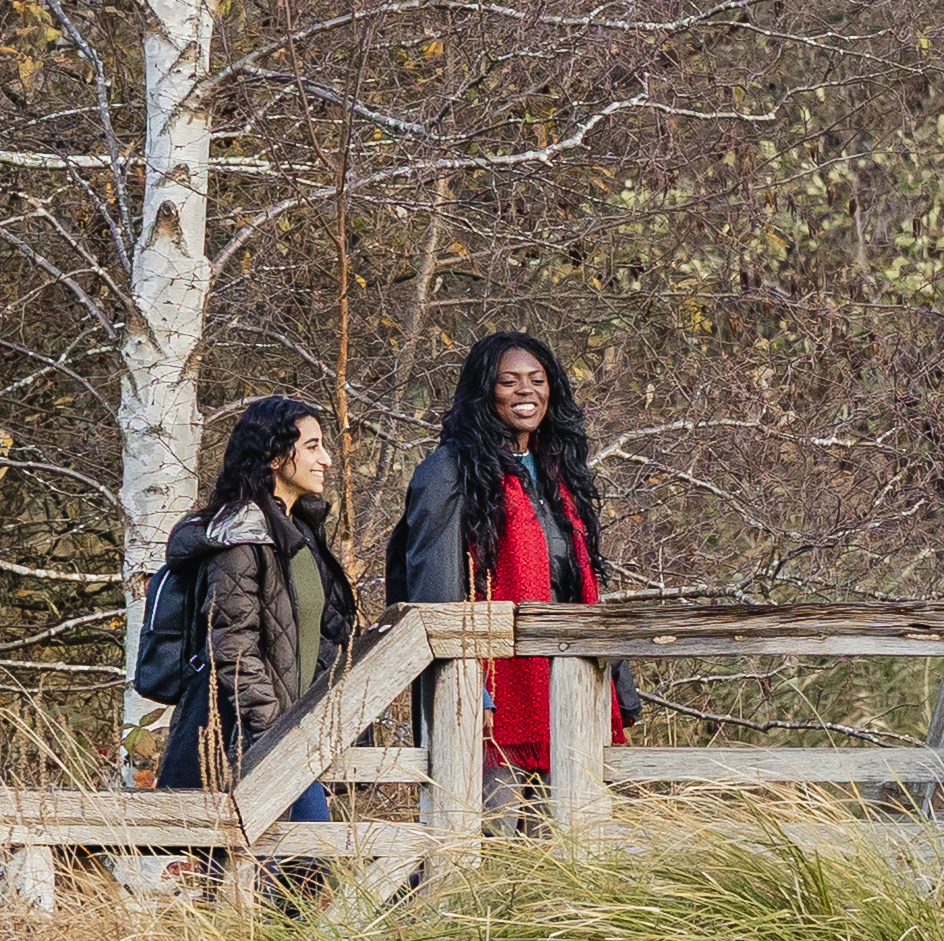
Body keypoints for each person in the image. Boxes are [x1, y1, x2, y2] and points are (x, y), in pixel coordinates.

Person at [385, 332, 621, 792]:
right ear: (483, 391)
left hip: (569, 688)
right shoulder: (450, 471)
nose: (526, 390)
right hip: (494, 699)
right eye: (508, 381)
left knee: (567, 828)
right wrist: (473, 692)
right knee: (492, 826)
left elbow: (578, 585)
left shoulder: (558, 473)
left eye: (537, 379)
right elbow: (436, 593)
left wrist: (617, 683)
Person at [152, 394, 358, 820]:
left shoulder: (301, 532)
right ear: (275, 456)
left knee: (301, 855)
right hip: (250, 741)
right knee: (299, 851)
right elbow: (234, 647)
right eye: (313, 446)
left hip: (299, 741)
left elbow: (323, 637)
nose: (326, 459)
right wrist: (273, 736)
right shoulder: (242, 538)